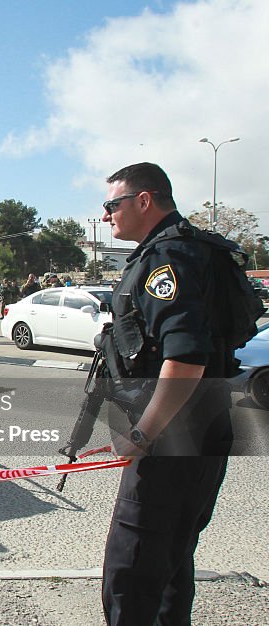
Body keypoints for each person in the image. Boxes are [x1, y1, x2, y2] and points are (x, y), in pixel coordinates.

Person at [98, 162, 234, 625]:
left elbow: (186, 359)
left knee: (131, 576)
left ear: (143, 201)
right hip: (204, 434)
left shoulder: (166, 259)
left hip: (170, 441)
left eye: (111, 205)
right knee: (171, 568)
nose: (105, 216)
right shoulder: (197, 249)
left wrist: (142, 433)